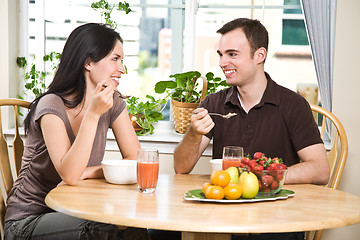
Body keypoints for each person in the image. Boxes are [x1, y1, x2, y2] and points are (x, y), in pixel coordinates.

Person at [174, 18, 330, 240]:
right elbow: (181, 167)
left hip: (277, 220)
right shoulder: (213, 104)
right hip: (223, 217)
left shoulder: (293, 105)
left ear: (259, 55)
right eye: (220, 54)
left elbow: (320, 170)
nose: (222, 62)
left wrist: (259, 179)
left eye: (232, 54)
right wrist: (193, 133)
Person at [4, 23, 150, 240]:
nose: (122, 69)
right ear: (88, 62)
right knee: (101, 227)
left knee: (133, 226)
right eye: (115, 59)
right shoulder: (51, 106)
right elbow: (71, 175)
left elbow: (136, 159)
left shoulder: (113, 103)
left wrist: (89, 172)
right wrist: (92, 114)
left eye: (122, 61)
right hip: (29, 220)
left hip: (74, 211)